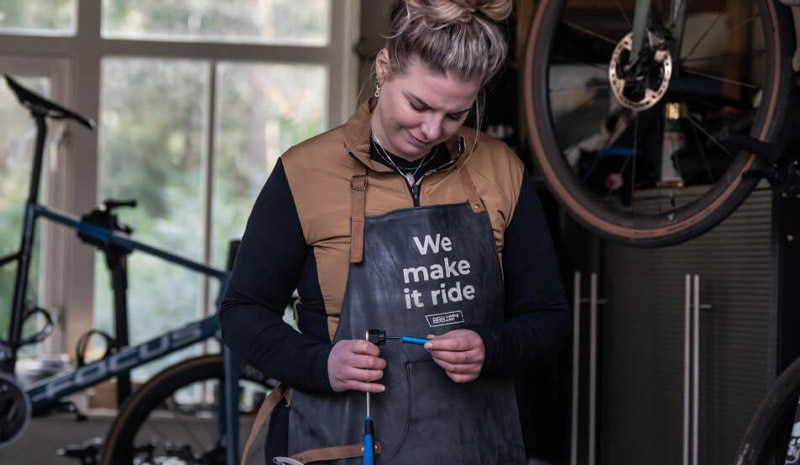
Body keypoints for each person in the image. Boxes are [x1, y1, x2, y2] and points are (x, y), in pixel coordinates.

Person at [220, 0, 570, 463]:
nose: (432, 130)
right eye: (419, 105)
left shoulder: (501, 171)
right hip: (338, 445)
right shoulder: (304, 172)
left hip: (470, 448)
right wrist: (320, 363)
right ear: (384, 68)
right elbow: (241, 312)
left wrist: (492, 347)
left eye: (455, 114)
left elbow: (549, 318)